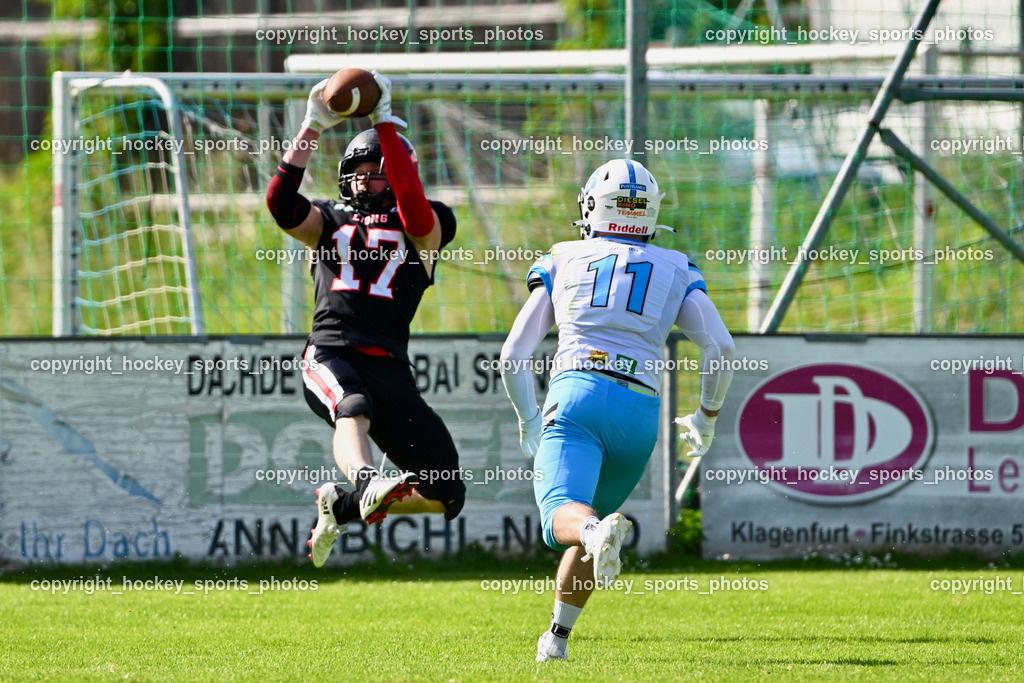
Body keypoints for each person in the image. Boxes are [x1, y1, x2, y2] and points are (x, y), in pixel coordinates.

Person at [499, 158, 735, 662]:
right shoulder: (677, 265)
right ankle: (556, 641)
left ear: (591, 206)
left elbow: (513, 355)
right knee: (590, 525)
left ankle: (591, 531)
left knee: (562, 519)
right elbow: (721, 348)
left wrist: (529, 418)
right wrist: (706, 416)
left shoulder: (565, 257)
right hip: (641, 411)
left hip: (579, 393)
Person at [265, 72, 465, 567]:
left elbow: (413, 208)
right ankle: (364, 480)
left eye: (373, 170)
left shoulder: (426, 223)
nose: (360, 180)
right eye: (354, 171)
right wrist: (311, 125)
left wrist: (385, 123)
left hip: (390, 366)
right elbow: (279, 203)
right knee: (351, 403)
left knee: (447, 490)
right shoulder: (329, 219)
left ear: (398, 172)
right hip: (331, 352)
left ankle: (346, 506)